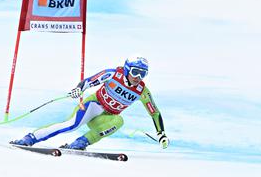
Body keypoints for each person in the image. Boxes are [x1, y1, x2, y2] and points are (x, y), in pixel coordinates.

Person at [10, 55, 169, 151]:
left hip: (105, 118)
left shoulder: (142, 91)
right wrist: (78, 89)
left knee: (119, 121)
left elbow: (154, 112)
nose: (138, 77)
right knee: (72, 125)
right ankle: (30, 138)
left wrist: (161, 134)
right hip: (93, 106)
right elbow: (89, 81)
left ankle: (80, 143)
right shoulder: (113, 74)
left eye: (143, 74)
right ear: (127, 69)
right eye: (135, 72)